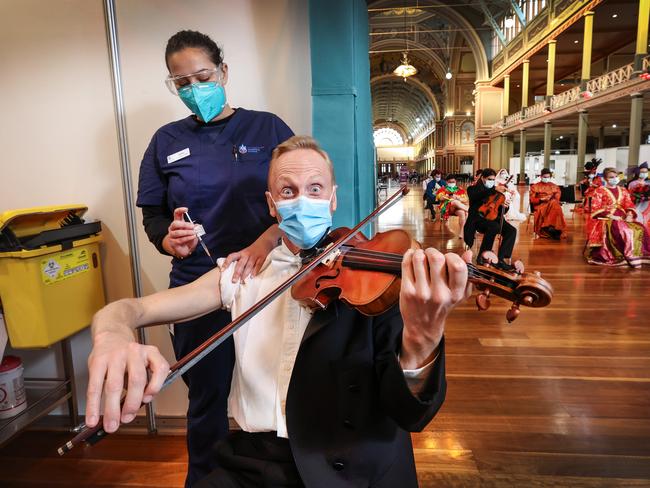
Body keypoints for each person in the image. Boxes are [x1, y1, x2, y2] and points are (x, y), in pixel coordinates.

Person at [86, 136, 471, 488]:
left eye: (315, 189)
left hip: (355, 462)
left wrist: (423, 337)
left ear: (332, 199)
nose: (302, 200)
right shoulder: (241, 273)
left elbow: (411, 415)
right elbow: (130, 309)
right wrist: (112, 335)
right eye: (288, 191)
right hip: (258, 461)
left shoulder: (375, 275)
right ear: (272, 204)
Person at [136, 30, 294, 487]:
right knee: (206, 399)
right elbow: (154, 215)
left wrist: (265, 242)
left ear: (224, 72)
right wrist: (170, 240)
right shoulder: (166, 140)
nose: (194, 89)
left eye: (202, 76)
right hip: (198, 288)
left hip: (269, 281)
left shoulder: (267, 128)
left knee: (275, 391)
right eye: (181, 83)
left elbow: (297, 198)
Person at [585, 167, 650, 268]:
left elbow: (629, 204)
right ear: (606, 179)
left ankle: (638, 256)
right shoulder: (599, 191)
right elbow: (595, 207)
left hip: (623, 216)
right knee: (623, 230)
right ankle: (622, 255)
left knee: (640, 228)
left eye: (616, 176)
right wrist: (611, 216)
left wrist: (629, 214)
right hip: (606, 217)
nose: (615, 179)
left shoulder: (623, 190)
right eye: (611, 177)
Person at [463, 168, 518, 271]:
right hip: (478, 219)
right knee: (494, 227)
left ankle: (501, 259)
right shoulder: (472, 189)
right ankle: (483, 257)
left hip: (493, 217)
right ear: (482, 178)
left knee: (512, 230)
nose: (491, 181)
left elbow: (501, 210)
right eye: (489, 179)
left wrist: (505, 206)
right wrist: (494, 189)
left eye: (493, 179)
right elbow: (477, 196)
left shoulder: (496, 192)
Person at [529, 168, 567, 240]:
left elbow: (557, 196)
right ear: (541, 176)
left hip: (551, 203)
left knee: (554, 203)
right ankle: (554, 227)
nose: (546, 179)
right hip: (540, 205)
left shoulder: (554, 186)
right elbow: (532, 200)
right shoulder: (535, 186)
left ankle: (551, 226)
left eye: (548, 177)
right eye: (545, 177)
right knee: (555, 204)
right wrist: (541, 199)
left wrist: (551, 197)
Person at [436, 174, 469, 239]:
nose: (452, 183)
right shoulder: (442, 189)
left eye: (453, 182)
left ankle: (462, 232)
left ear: (455, 182)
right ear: (447, 182)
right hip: (447, 208)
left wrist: (458, 198)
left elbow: (465, 199)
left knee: (462, 213)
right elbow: (439, 197)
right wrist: (448, 196)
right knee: (454, 201)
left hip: (458, 208)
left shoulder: (460, 189)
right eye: (450, 182)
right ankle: (469, 209)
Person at [627, 163, 650, 227]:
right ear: (638, 172)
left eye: (646, 172)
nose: (644, 173)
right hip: (637, 206)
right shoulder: (632, 183)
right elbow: (630, 196)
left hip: (648, 207)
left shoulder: (648, 183)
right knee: (638, 222)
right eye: (642, 172)